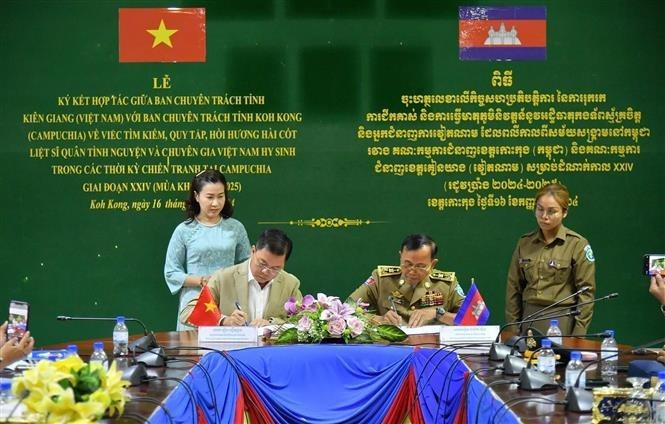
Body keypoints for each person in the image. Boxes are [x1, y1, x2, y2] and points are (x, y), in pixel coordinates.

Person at [165, 169, 251, 330]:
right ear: (197, 196)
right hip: (195, 305)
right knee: (193, 352)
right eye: (210, 197)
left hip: (228, 303)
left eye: (221, 196)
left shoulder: (236, 228)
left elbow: (247, 265)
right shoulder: (184, 230)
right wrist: (201, 280)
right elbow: (171, 272)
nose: (216, 203)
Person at [505, 183, 596, 336]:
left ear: (564, 212)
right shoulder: (525, 243)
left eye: (551, 211)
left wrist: (578, 336)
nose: (544, 216)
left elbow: (586, 294)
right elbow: (513, 289)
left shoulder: (577, 244)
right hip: (528, 320)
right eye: (540, 209)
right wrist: (514, 331)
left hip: (561, 321)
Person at [179, 228, 302, 327]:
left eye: (275, 268)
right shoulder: (223, 278)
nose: (265, 271)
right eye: (262, 263)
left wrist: (272, 324)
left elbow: (303, 322)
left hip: (271, 353)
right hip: (230, 353)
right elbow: (187, 313)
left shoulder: (290, 284)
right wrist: (224, 321)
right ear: (252, 251)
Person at [347, 233, 466, 327]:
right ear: (400, 256)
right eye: (407, 264)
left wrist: (439, 314)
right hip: (391, 349)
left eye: (420, 266)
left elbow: (472, 320)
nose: (412, 271)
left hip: (431, 351)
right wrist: (379, 319)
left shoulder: (447, 284)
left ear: (433, 264)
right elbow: (347, 309)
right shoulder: (381, 279)